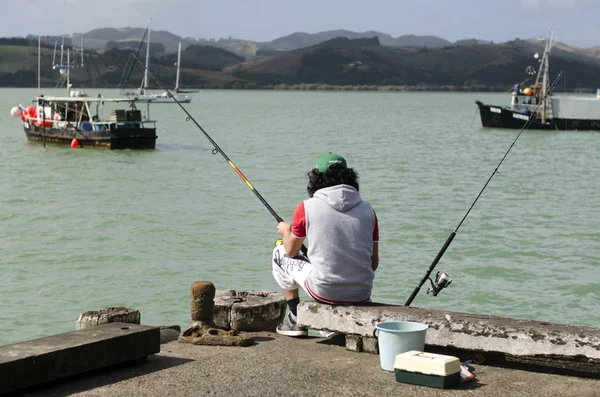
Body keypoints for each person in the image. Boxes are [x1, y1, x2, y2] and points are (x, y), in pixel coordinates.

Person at [272, 153, 379, 337]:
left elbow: (291, 251)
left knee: (279, 252)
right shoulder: (369, 210)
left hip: (324, 290)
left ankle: (295, 318)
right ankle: (329, 327)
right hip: (362, 293)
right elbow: (373, 263)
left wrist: (286, 231)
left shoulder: (305, 208)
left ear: (316, 178)